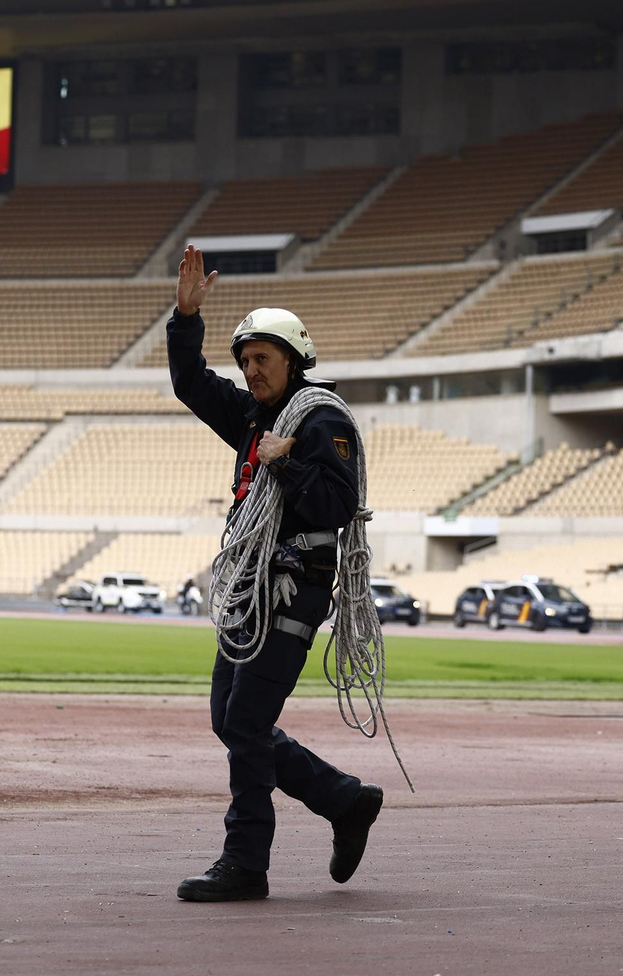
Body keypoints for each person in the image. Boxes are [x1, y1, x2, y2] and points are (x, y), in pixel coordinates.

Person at [168, 244, 383, 902]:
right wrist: (185, 317)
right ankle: (343, 801)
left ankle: (247, 862)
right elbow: (189, 384)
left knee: (245, 721)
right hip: (248, 588)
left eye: (262, 358)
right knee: (230, 719)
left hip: (294, 589)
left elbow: (337, 505)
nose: (250, 370)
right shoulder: (253, 417)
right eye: (245, 361)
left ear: (294, 359)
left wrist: (285, 462)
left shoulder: (319, 419)